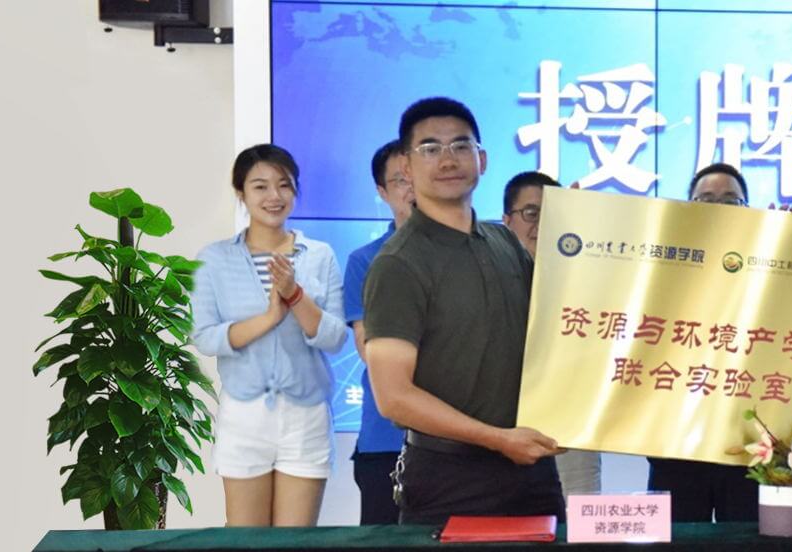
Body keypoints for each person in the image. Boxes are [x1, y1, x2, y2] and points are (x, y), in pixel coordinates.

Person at [362, 97, 564, 525]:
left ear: (482, 160)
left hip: (531, 469)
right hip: (449, 477)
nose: (448, 159)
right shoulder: (398, 263)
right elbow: (393, 397)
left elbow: (556, 330)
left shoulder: (504, 242)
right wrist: (497, 439)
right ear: (406, 167)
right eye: (430, 148)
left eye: (460, 145)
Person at [192, 143, 347, 526]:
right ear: (241, 193)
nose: (274, 196)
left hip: (306, 415)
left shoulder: (319, 255)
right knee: (246, 541)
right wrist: (270, 317)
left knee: (296, 542)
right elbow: (205, 337)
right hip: (244, 416)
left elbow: (335, 338)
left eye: (284, 185)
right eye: (260, 186)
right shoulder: (214, 259)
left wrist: (294, 295)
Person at [642, 162, 763, 523]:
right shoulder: (659, 270)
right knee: (675, 539)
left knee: (748, 541)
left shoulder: (769, 271)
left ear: (748, 210)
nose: (717, 209)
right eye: (705, 200)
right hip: (675, 445)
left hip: (747, 447)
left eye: (730, 201)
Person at [499, 169, 601, 496]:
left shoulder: (588, 278)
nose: (542, 224)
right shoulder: (487, 277)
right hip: (499, 433)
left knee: (575, 520)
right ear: (506, 220)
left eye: (553, 214)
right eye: (531, 213)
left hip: (568, 434)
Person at [342, 140, 413, 525]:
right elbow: (368, 348)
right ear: (382, 192)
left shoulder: (472, 252)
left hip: (462, 444)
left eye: (416, 175)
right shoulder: (365, 261)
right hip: (386, 438)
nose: (411, 187)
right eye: (400, 180)